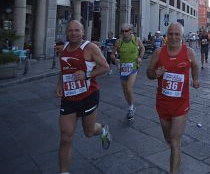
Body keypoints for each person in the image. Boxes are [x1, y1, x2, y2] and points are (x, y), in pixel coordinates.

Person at [56, 20, 111, 174]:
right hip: (69, 98)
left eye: (77, 30)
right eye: (70, 30)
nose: (73, 33)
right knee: (66, 137)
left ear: (83, 32)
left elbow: (105, 67)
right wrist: (60, 84)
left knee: (89, 132)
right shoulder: (63, 48)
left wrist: (87, 74)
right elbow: (64, 69)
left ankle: (103, 130)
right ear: (66, 32)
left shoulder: (90, 48)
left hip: (88, 96)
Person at [146, 22, 200, 174]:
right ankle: (177, 154)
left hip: (181, 104)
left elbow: (195, 66)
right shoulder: (158, 52)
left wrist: (195, 79)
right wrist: (155, 74)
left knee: (175, 141)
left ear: (182, 36)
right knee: (169, 140)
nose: (174, 37)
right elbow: (149, 73)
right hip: (163, 104)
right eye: (171, 34)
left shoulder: (188, 52)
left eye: (177, 34)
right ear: (166, 35)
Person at [110, 23, 145, 121]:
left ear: (130, 31)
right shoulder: (118, 42)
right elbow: (112, 55)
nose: (124, 33)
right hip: (123, 69)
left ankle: (130, 109)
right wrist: (116, 59)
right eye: (122, 31)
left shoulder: (136, 39)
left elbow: (143, 48)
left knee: (129, 88)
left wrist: (140, 57)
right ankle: (131, 105)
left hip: (133, 67)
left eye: (126, 31)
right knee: (125, 91)